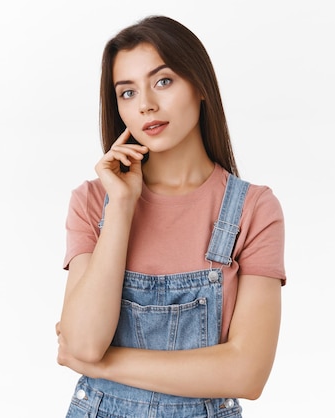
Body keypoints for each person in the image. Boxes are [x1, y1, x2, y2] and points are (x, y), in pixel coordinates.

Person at [55, 15, 285, 417]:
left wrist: (104, 365)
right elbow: (85, 343)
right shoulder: (94, 202)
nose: (146, 104)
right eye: (127, 92)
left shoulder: (254, 209)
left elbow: (248, 374)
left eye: (163, 81)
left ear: (199, 86)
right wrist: (123, 206)